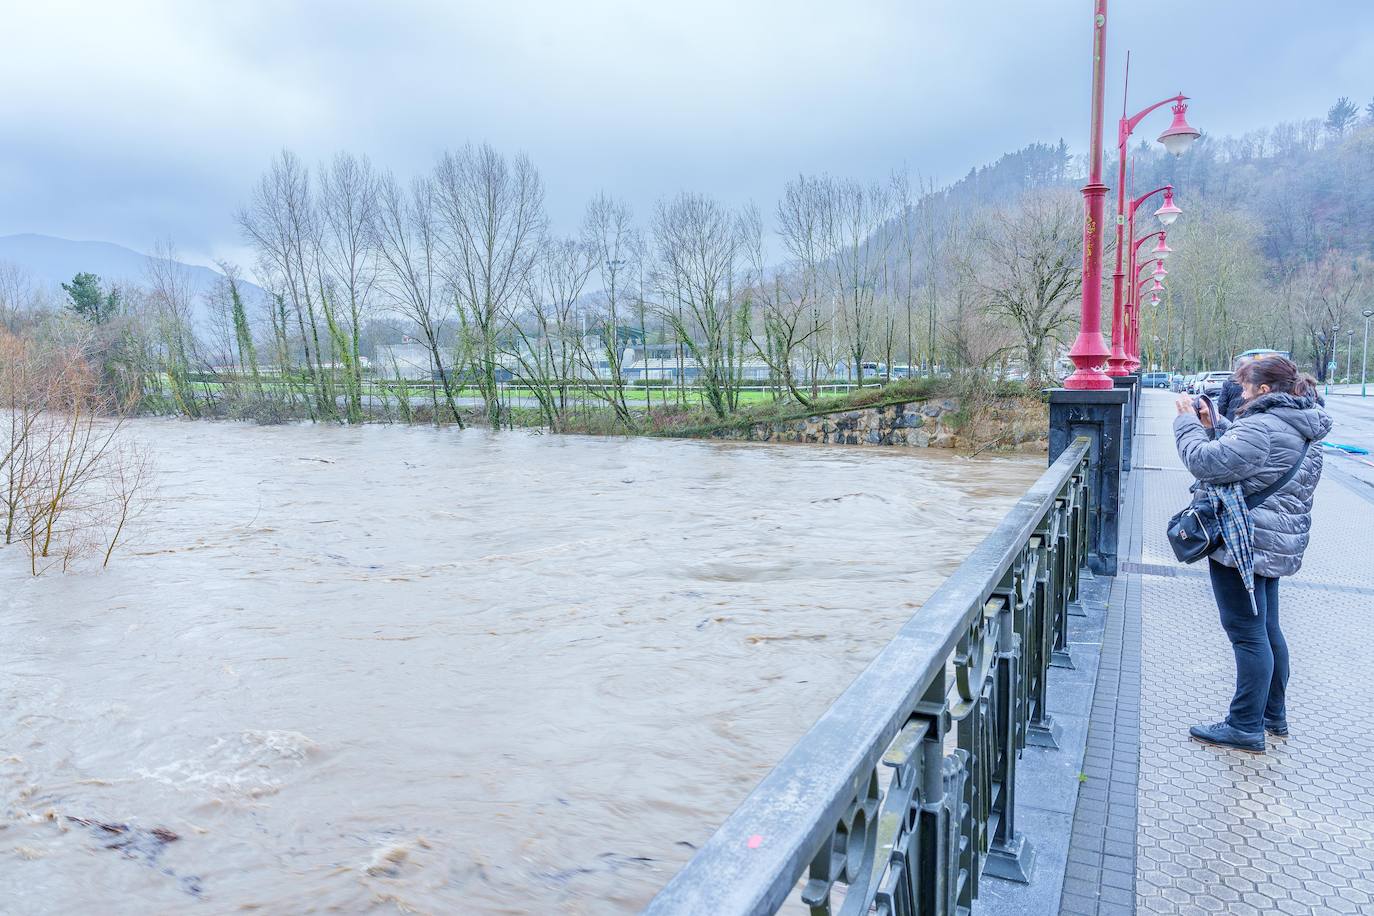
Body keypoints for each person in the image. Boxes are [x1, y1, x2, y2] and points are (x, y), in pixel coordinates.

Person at [1173, 356, 1332, 753]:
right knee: (1267, 629)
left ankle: (1244, 725)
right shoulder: (1298, 422)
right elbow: (1257, 457)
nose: (1240, 394)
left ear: (1264, 390)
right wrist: (1217, 426)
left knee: (1247, 635)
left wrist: (1187, 424)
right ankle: (1271, 714)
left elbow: (1205, 462)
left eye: (1245, 387)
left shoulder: (1263, 425)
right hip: (1274, 541)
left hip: (1244, 543)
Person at [1215, 356, 1247, 422]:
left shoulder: (1228, 383)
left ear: (1236, 368)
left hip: (1230, 419)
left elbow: (1222, 405)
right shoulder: (1255, 384)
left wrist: (1220, 419)